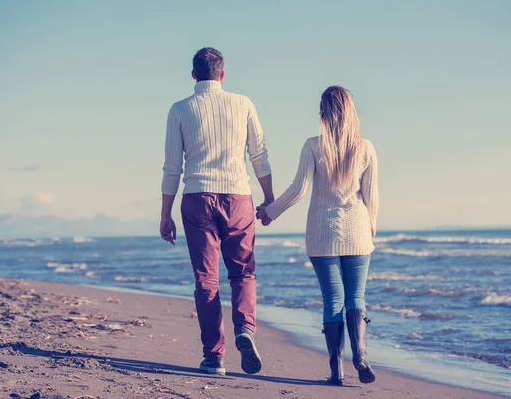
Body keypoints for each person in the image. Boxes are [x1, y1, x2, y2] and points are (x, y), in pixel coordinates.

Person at [160, 47, 274, 376]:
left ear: (193, 75)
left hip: (197, 198)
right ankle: (245, 329)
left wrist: (165, 214)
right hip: (238, 196)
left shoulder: (180, 109)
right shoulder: (243, 103)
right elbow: (260, 155)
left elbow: (172, 167)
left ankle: (214, 357)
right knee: (243, 273)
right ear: (222, 75)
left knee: (206, 281)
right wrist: (267, 199)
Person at [257, 86, 379, 385]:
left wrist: (270, 212)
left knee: (333, 299)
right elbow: (371, 197)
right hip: (358, 233)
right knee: (356, 297)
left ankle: (336, 370)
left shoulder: (313, 145)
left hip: (322, 234)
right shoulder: (366, 148)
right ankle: (361, 355)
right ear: (351, 112)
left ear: (323, 114)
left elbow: (299, 190)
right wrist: (370, 229)